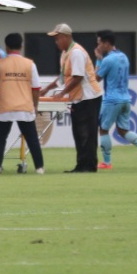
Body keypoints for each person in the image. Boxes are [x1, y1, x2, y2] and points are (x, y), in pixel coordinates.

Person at [40, 23, 103, 173]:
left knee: (87, 133)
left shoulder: (76, 52)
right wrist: (47, 89)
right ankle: (81, 165)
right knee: (79, 132)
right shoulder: (66, 54)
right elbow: (64, 77)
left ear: (66, 37)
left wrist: (62, 93)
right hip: (79, 98)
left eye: (58, 38)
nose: (56, 42)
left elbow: (78, 77)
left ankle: (89, 165)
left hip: (89, 97)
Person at [0, 33, 45, 175]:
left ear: (6, 46)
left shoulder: (0, 64)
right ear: (21, 46)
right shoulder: (30, 64)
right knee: (32, 139)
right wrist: (35, 106)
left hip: (5, 107)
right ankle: (39, 168)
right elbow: (36, 88)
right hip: (25, 107)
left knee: (0, 139)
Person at [94, 30, 137, 170]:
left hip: (112, 100)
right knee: (122, 130)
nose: (98, 47)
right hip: (125, 98)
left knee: (103, 129)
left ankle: (107, 163)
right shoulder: (124, 57)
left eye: (99, 43)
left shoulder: (108, 59)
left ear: (107, 43)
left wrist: (98, 58)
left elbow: (96, 78)